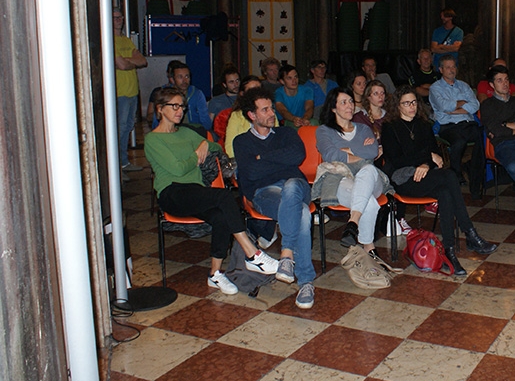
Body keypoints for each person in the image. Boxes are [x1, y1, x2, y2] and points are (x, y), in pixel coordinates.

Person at [145, 87, 279, 295]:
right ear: (160, 109)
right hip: (171, 193)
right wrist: (197, 152)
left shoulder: (187, 133)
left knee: (221, 217)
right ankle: (252, 254)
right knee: (224, 196)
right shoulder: (153, 139)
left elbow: (216, 147)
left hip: (194, 192)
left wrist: (203, 146)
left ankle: (215, 275)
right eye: (174, 106)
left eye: (182, 106)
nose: (180, 110)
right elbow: (178, 168)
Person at [382, 85, 497, 275]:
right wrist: (425, 160)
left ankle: (449, 251)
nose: (411, 106)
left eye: (413, 102)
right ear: (398, 106)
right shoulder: (389, 128)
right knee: (450, 175)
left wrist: (426, 163)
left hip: (426, 177)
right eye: (406, 103)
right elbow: (396, 160)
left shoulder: (424, 124)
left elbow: (433, 154)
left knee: (445, 192)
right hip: (403, 180)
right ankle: (469, 233)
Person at [232, 87, 316, 309]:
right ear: (252, 115)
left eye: (272, 108)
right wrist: (279, 161)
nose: (272, 113)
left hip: (297, 186)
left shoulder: (287, 133)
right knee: (303, 214)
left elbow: (298, 155)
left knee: (291, 186)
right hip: (264, 193)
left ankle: (286, 254)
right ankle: (306, 281)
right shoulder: (241, 142)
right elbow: (250, 172)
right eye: (266, 109)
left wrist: (263, 158)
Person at [315, 88, 393, 256]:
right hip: (340, 178)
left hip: (371, 179)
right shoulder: (323, 130)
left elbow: (372, 152)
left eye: (351, 101)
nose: (350, 105)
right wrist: (358, 151)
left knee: (368, 169)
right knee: (369, 203)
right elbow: (330, 154)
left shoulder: (364, 129)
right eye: (343, 102)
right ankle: (368, 247)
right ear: (333, 108)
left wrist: (346, 151)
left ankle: (353, 222)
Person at [352, 79, 413, 235]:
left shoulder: (391, 118)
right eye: (375, 93)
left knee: (398, 169)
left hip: (388, 157)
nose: (380, 96)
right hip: (366, 160)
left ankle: (397, 217)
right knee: (380, 167)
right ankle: (375, 217)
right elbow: (356, 143)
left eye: (382, 93)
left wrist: (383, 147)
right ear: (368, 97)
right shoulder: (359, 118)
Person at [479, 66, 515, 211]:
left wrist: (506, 125)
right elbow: (495, 130)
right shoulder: (487, 105)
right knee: (514, 166)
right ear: (492, 85)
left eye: (506, 80)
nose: (504, 83)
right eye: (499, 80)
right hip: (504, 144)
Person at [429, 54, 485, 199]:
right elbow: (443, 106)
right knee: (459, 141)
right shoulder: (435, 88)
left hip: (467, 123)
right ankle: (456, 173)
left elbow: (475, 104)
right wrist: (462, 103)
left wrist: (455, 109)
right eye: (447, 67)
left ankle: (475, 178)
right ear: (441, 70)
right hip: (448, 126)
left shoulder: (463, 85)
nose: (451, 70)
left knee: (481, 137)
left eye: (453, 66)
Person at [113, 8, 147, 175]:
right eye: (115, 17)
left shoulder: (126, 40)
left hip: (132, 90)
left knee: (127, 127)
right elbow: (123, 65)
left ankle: (124, 162)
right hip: (120, 93)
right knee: (119, 129)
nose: (119, 20)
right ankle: (117, 165)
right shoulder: (109, 41)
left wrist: (127, 61)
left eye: (120, 17)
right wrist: (131, 61)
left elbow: (143, 61)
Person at [150, 61, 212, 131]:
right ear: (173, 79)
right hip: (170, 132)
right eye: (180, 77)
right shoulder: (165, 94)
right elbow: (156, 123)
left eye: (187, 76)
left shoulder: (197, 94)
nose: (184, 80)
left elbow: (206, 122)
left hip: (193, 130)